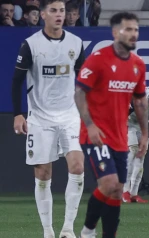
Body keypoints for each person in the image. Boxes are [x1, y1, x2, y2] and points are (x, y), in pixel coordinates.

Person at [11, 0, 85, 237]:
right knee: (43, 174)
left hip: (70, 115)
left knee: (77, 166)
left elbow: (84, 81)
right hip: (40, 117)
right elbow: (17, 81)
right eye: (53, 11)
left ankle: (68, 229)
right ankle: (48, 230)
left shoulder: (76, 42)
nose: (59, 15)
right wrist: (18, 114)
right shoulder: (31, 45)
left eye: (62, 11)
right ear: (43, 14)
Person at [75, 12, 149, 237]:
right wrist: (89, 125)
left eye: (136, 29)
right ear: (116, 33)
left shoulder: (138, 65)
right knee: (108, 184)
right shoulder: (98, 58)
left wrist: (145, 134)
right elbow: (79, 93)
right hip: (96, 135)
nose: (133, 34)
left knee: (117, 191)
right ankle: (87, 231)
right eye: (128, 29)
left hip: (119, 136)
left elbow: (139, 101)